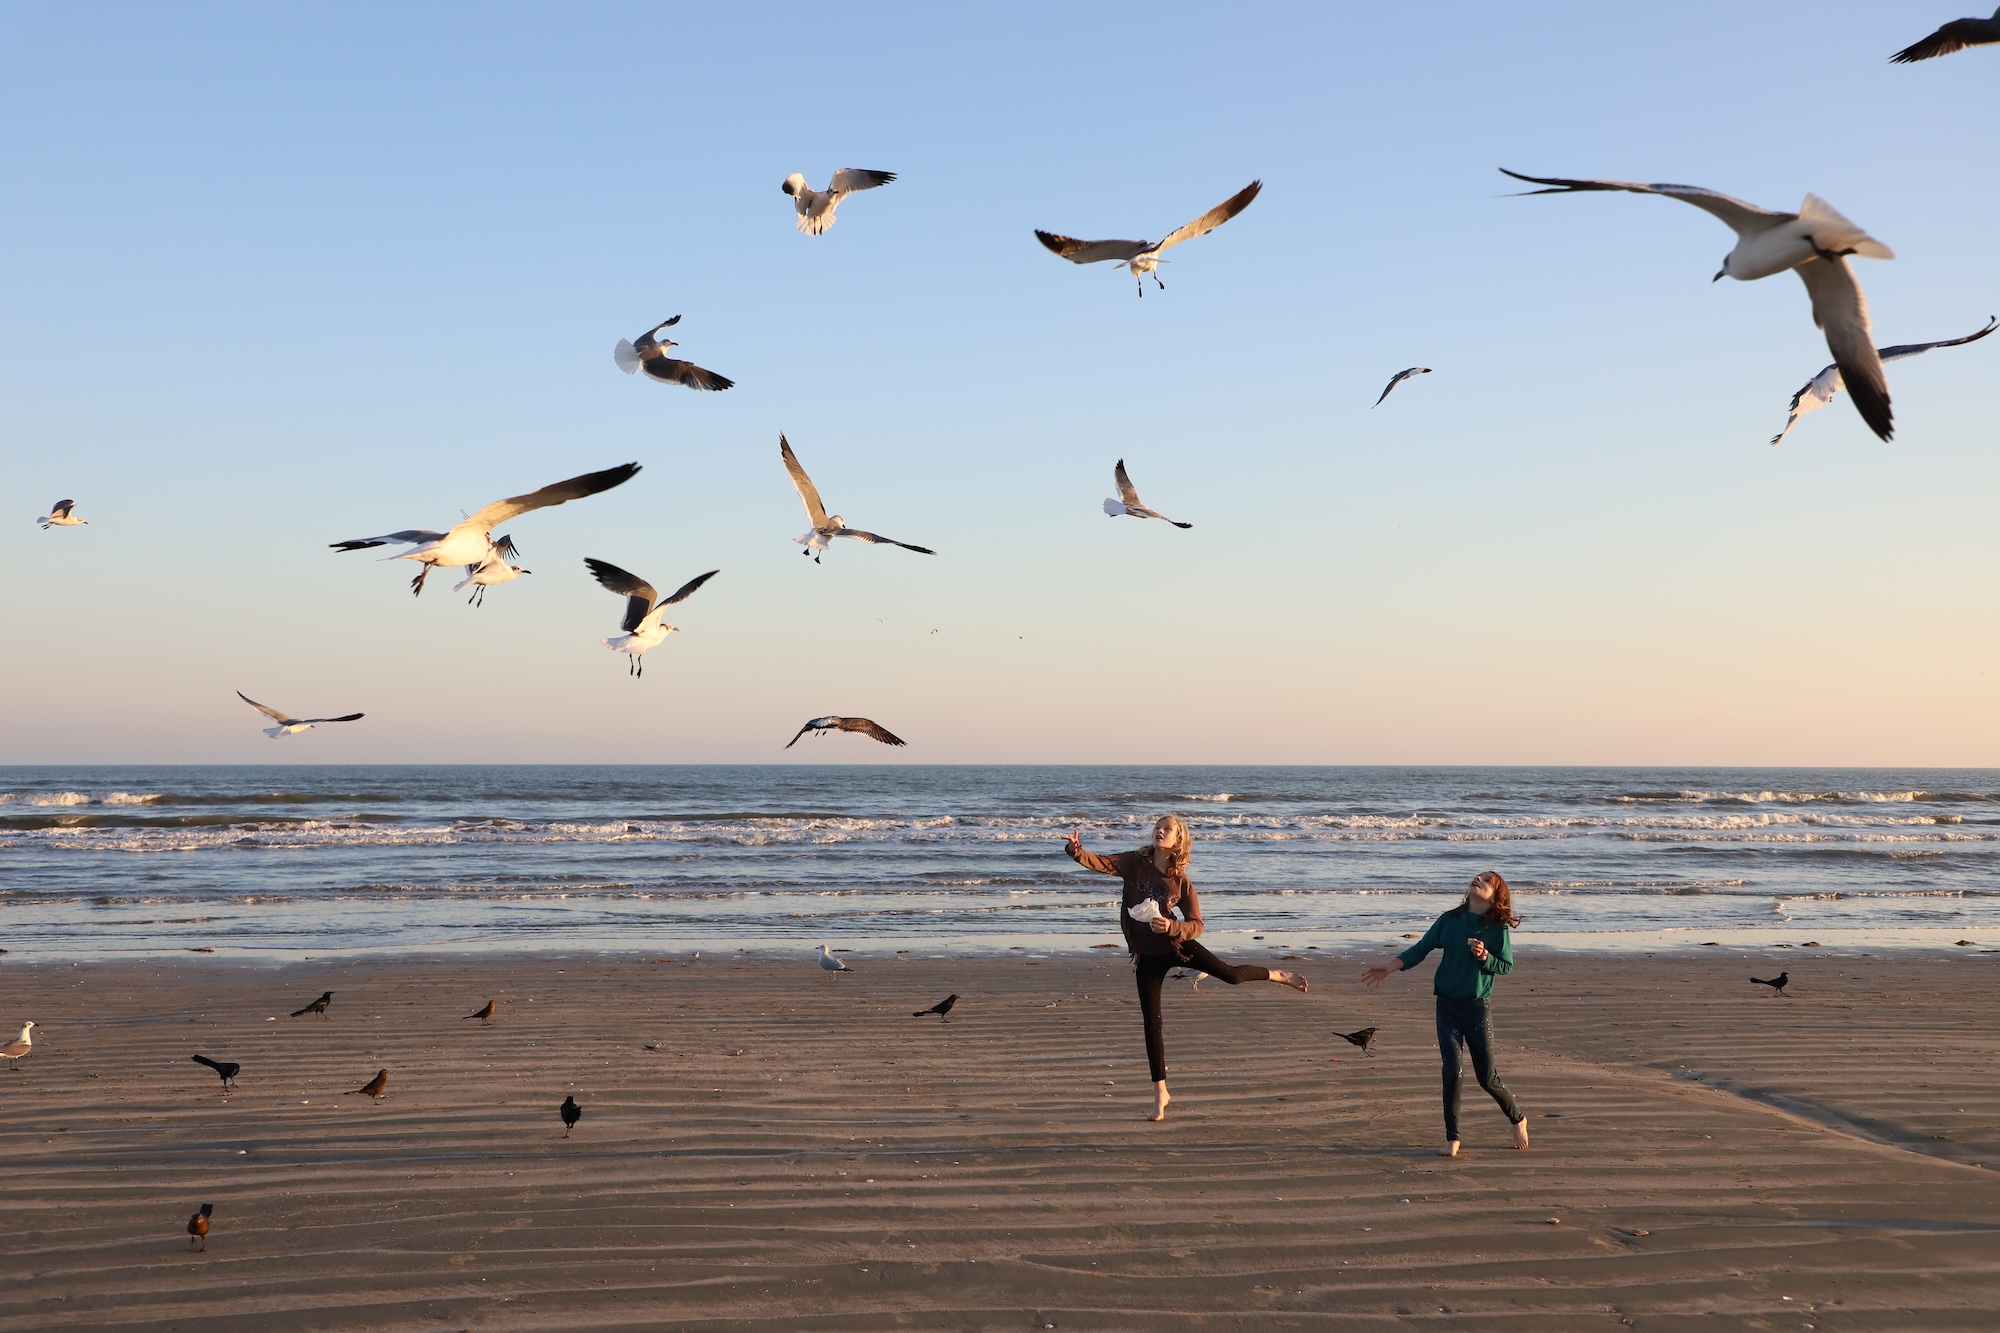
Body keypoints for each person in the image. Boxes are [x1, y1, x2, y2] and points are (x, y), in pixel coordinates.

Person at [1065, 815, 1307, 1122]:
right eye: (1157, 827)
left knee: (1231, 976)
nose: (1160, 831)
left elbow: (1197, 925)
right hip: (1148, 957)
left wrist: (1172, 925)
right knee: (1152, 1026)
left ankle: (1279, 975)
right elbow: (1099, 863)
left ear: (1178, 840)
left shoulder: (1181, 882)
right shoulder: (1133, 862)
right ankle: (1160, 1094)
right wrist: (1076, 850)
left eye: (1167, 829)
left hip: (1176, 947)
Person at [1363, 870, 1528, 1156]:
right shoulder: (1450, 920)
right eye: (1478, 876)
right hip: (1447, 1006)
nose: (1479, 879)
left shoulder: (1497, 929)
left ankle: (1518, 1118)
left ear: (1496, 896)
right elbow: (1421, 948)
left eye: (1487, 880)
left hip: (1477, 1009)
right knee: (1452, 1070)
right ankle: (1453, 1138)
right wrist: (1389, 968)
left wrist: (1485, 957)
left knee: (1486, 1077)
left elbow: (1506, 966)